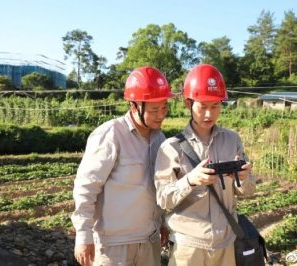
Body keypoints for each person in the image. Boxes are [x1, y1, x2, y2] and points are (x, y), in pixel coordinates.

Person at [71, 66, 174, 266]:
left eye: (164, 107)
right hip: (113, 247)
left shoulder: (160, 138)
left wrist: (161, 222)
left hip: (149, 242)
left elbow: (157, 186)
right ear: (134, 107)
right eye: (154, 109)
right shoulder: (110, 135)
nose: (161, 115)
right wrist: (83, 235)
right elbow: (86, 187)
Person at [154, 64, 256, 266]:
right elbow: (163, 199)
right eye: (202, 106)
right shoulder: (171, 147)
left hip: (226, 243)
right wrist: (190, 180)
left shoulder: (232, 140)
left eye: (215, 106)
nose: (209, 114)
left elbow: (249, 190)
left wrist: (243, 179)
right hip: (189, 247)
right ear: (188, 103)